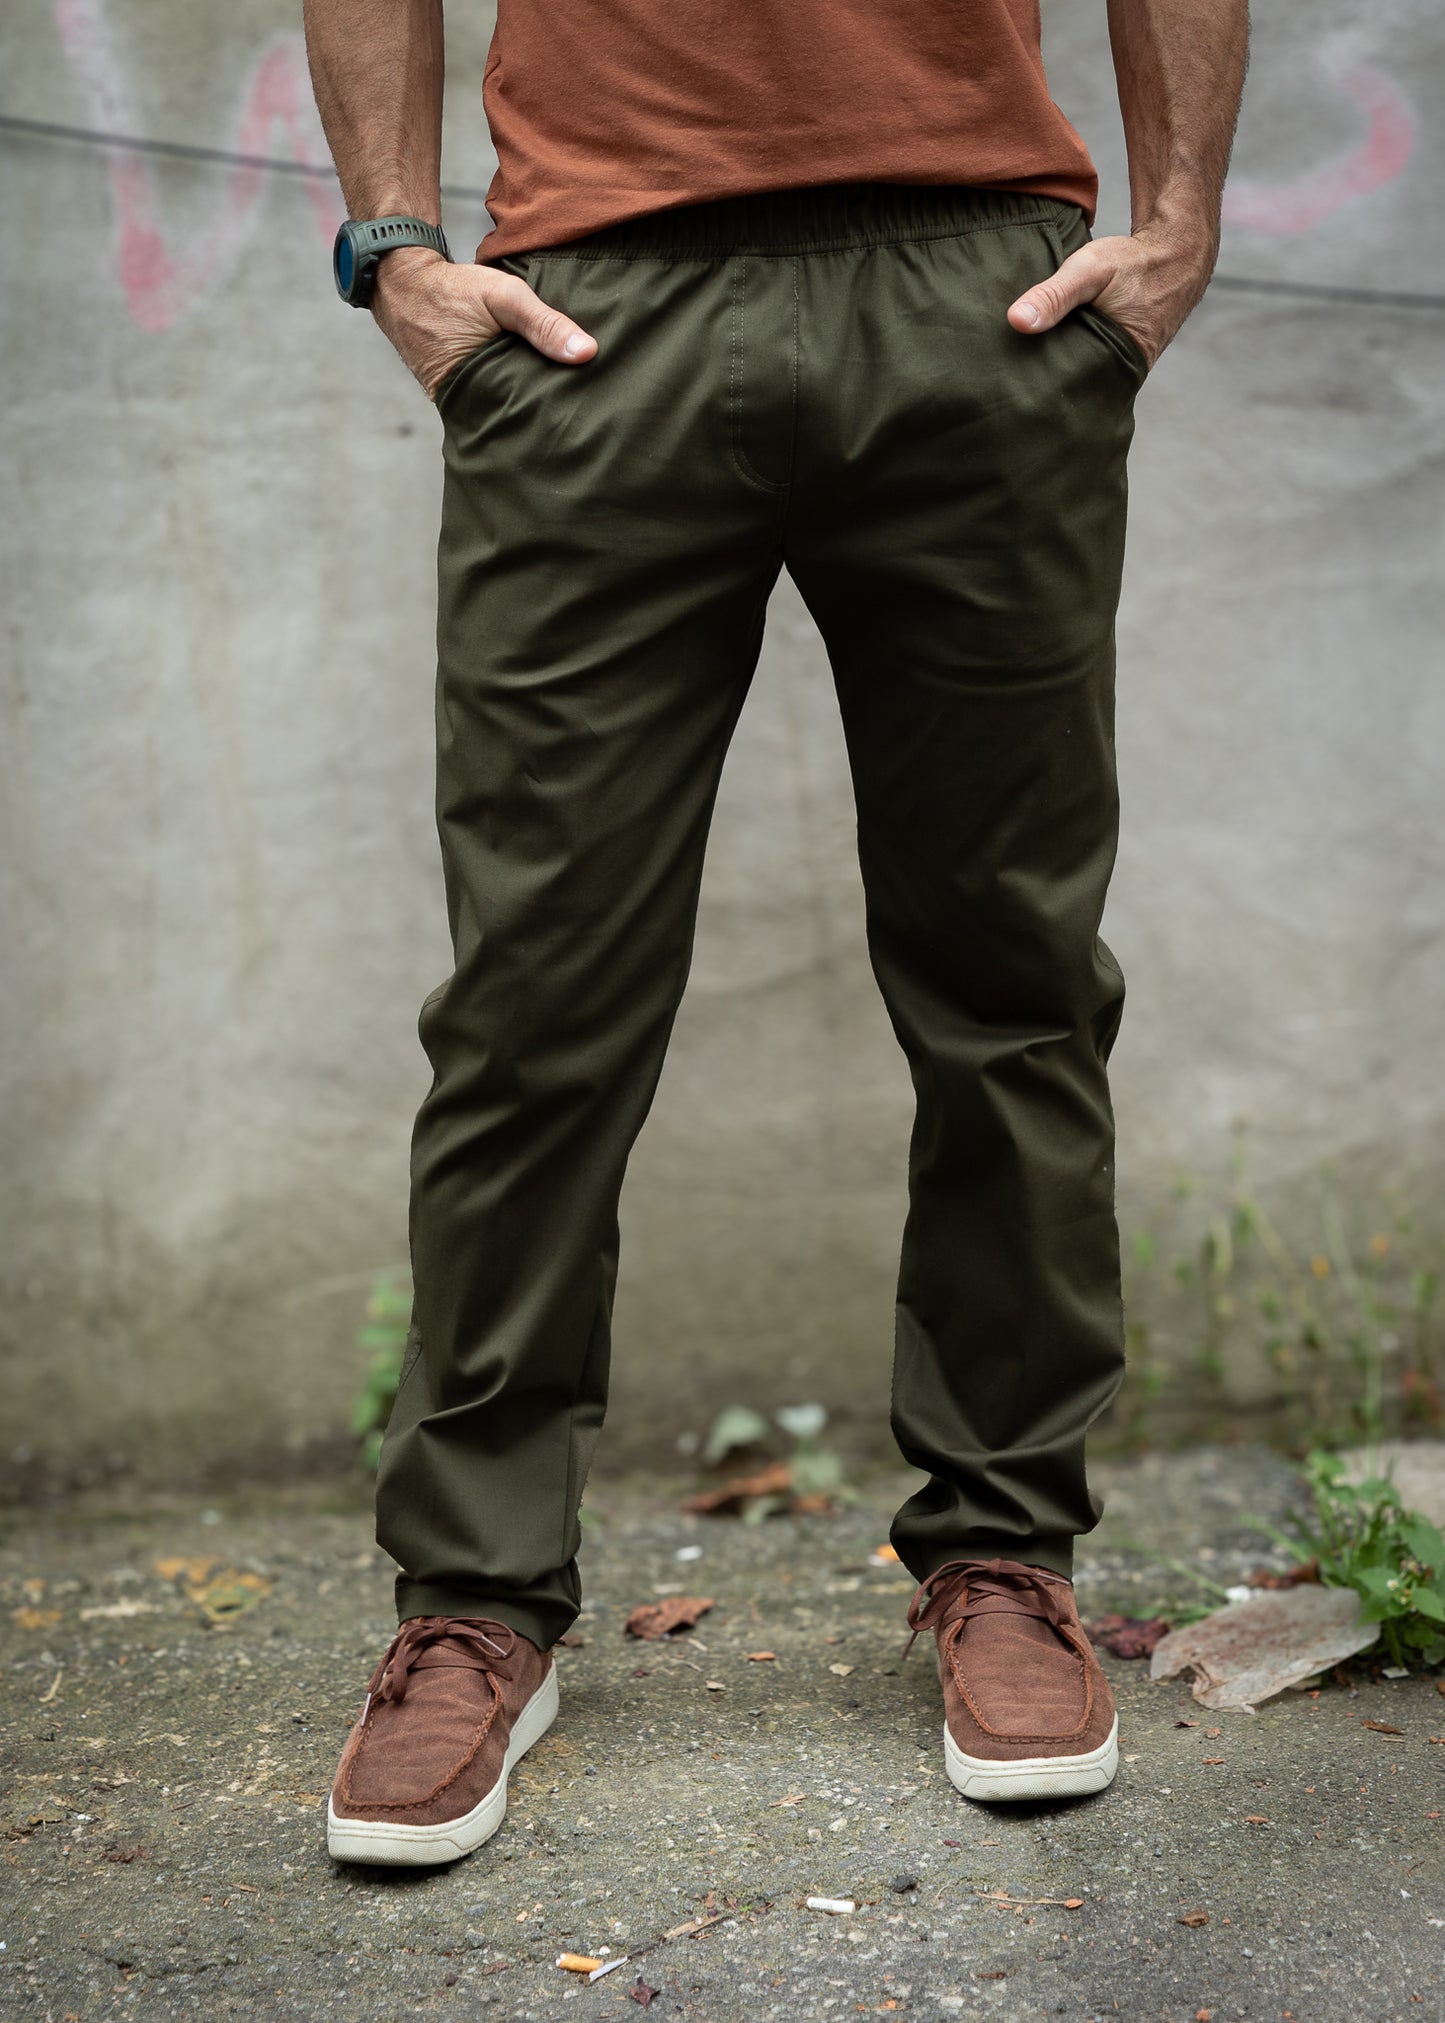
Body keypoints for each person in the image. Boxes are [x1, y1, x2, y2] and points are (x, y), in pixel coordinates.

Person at [304, 0, 1248, 1864]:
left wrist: (1178, 225)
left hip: (976, 290)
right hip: (596, 305)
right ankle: (475, 1597)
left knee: (1009, 980)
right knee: (532, 1003)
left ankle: (1003, 1552)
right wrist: (394, 248)